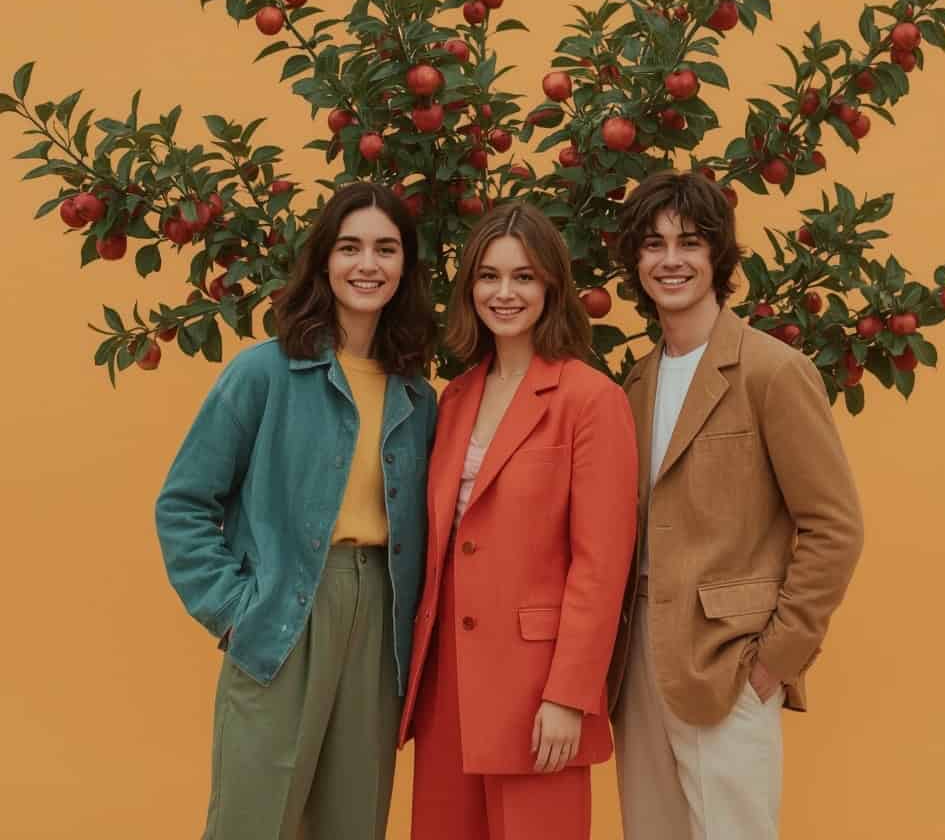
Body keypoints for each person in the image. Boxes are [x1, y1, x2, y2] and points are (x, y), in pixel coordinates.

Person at [155, 182, 437, 840]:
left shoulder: (418, 398)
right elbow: (184, 502)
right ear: (324, 261)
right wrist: (232, 610)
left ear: (405, 267)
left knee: (353, 820)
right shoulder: (264, 374)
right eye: (351, 247)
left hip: (382, 620)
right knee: (255, 817)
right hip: (284, 610)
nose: (368, 265)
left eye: (386, 249)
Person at [608, 170, 864, 840]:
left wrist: (776, 659)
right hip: (636, 668)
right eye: (654, 244)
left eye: (689, 242)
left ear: (719, 256)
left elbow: (835, 526)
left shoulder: (772, 371)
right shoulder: (633, 383)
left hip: (729, 664)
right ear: (634, 262)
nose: (671, 259)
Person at [401, 202, 638, 840]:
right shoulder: (454, 398)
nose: (504, 293)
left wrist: (569, 696)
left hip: (539, 692)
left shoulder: (592, 400)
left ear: (553, 288)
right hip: (448, 684)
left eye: (524, 277)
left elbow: (602, 564)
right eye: (488, 276)